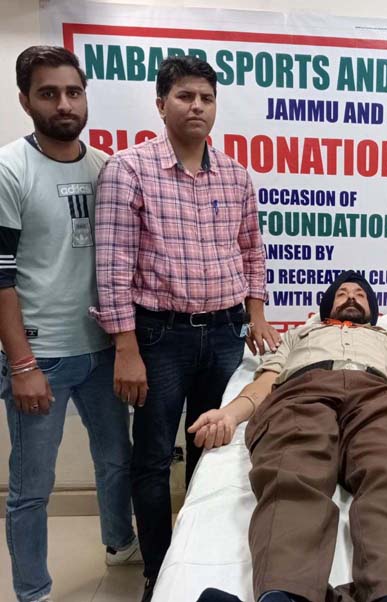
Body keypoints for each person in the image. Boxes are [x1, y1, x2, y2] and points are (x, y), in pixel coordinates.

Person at [187, 271, 387, 602]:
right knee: (291, 467)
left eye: (360, 294)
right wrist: (229, 414)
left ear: (372, 308)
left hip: (379, 393)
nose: (352, 297)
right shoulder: (300, 335)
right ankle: (284, 594)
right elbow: (265, 382)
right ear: (327, 307)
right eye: (342, 293)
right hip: (302, 390)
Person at [92, 55, 279, 601]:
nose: (196, 106)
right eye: (184, 96)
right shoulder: (129, 169)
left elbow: (251, 248)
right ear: (161, 104)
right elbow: (113, 266)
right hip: (158, 337)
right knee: (152, 457)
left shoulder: (236, 174)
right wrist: (125, 348)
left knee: (215, 449)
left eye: (206, 98)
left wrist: (257, 312)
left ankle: (200, 562)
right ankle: (159, 570)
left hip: (224, 334)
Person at [0, 46, 139, 602]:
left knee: (115, 458)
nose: (63, 104)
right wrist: (23, 365)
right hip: (42, 357)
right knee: (32, 488)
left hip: (101, 348)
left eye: (73, 92)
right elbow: (1, 281)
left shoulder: (105, 168)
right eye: (48, 93)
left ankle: (118, 541)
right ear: (25, 100)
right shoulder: (10, 169)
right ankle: (33, 591)